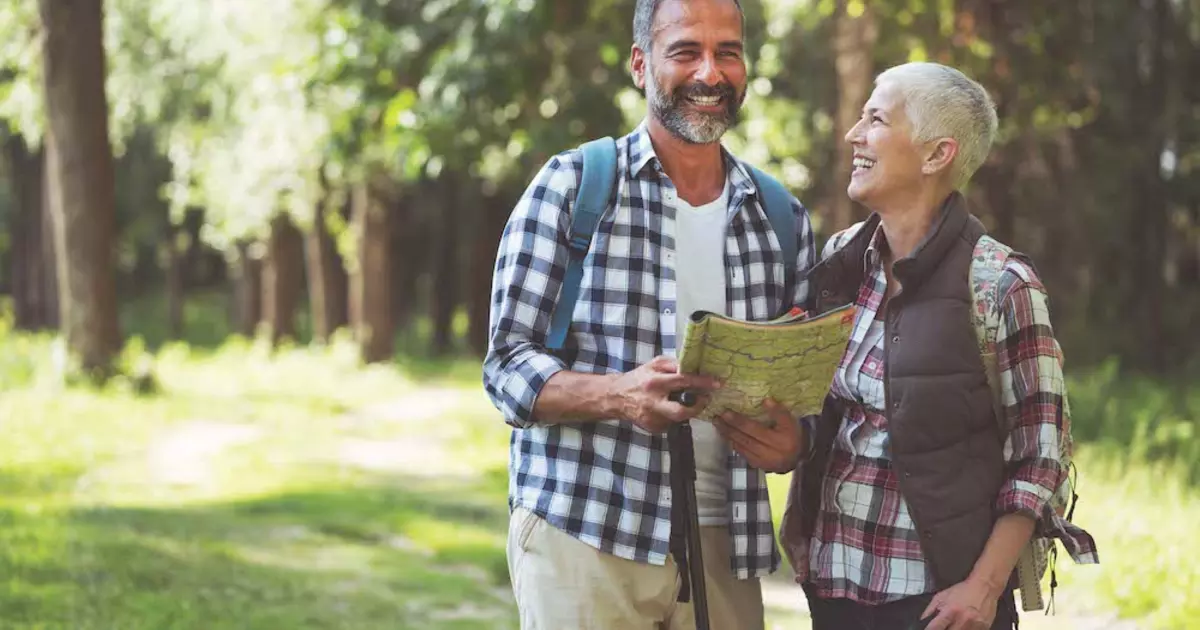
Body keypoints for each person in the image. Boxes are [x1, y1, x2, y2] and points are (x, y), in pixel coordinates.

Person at [714, 62, 1098, 630]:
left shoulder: (1000, 284)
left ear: (936, 155)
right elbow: (830, 411)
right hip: (835, 588)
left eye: (876, 119)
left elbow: (1040, 459)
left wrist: (983, 589)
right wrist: (794, 474)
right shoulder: (844, 259)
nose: (854, 134)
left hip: (941, 606)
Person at [482, 0, 817, 627]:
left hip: (726, 540)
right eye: (686, 51)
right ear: (641, 64)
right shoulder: (572, 186)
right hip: (587, 530)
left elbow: (807, 387)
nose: (710, 73)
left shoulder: (781, 217)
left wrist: (797, 441)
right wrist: (618, 395)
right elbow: (505, 368)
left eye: (728, 53)